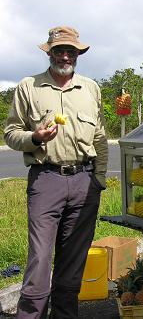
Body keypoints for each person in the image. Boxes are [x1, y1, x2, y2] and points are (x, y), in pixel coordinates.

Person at [4, 26, 108, 318]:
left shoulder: (91, 89)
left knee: (72, 264)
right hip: (45, 180)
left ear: (78, 54)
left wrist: (98, 179)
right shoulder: (28, 86)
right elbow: (11, 132)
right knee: (39, 261)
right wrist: (34, 138)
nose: (65, 56)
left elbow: (100, 138)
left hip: (84, 183)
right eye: (59, 51)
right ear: (49, 53)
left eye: (70, 51)